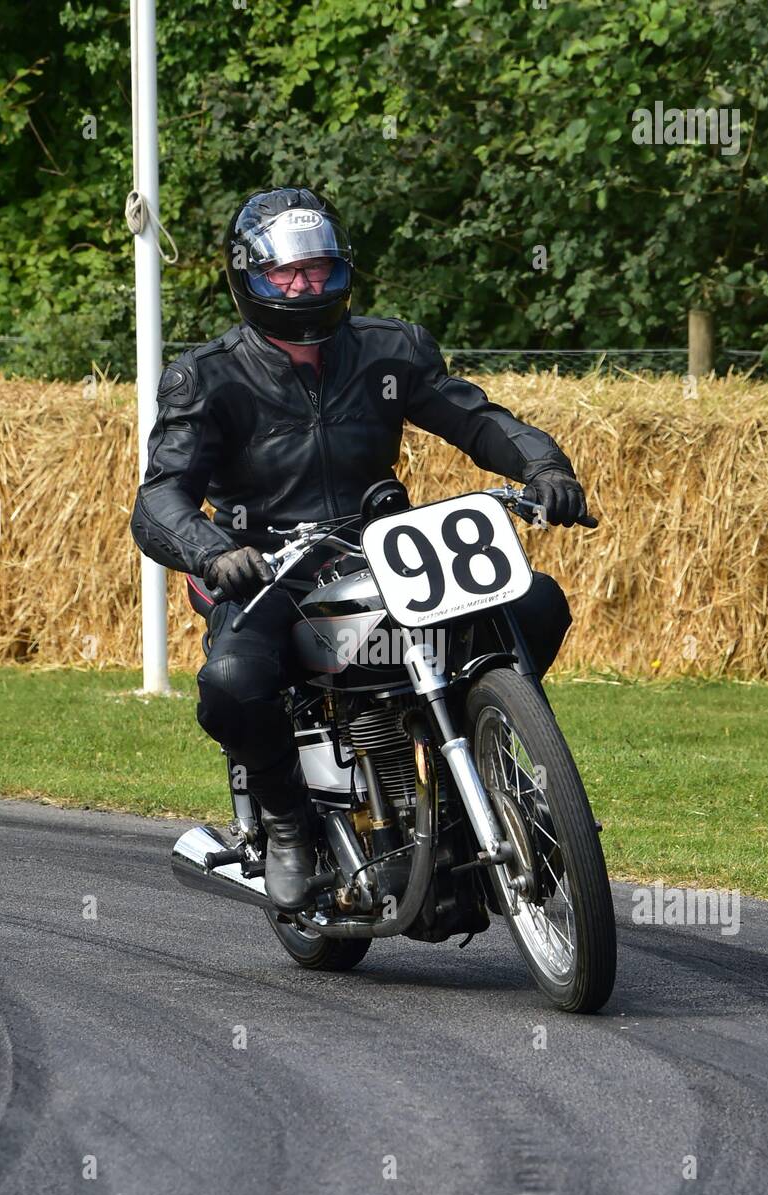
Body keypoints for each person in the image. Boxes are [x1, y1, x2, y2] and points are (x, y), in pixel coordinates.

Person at [130, 187, 587, 910]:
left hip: (380, 546)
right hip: (267, 568)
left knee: (535, 602)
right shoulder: (207, 376)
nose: (304, 284)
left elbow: (474, 418)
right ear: (249, 277)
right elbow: (159, 497)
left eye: (317, 268)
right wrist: (213, 551)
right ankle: (285, 824)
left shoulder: (389, 348)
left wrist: (543, 468)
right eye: (286, 273)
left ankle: (501, 766)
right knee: (232, 684)